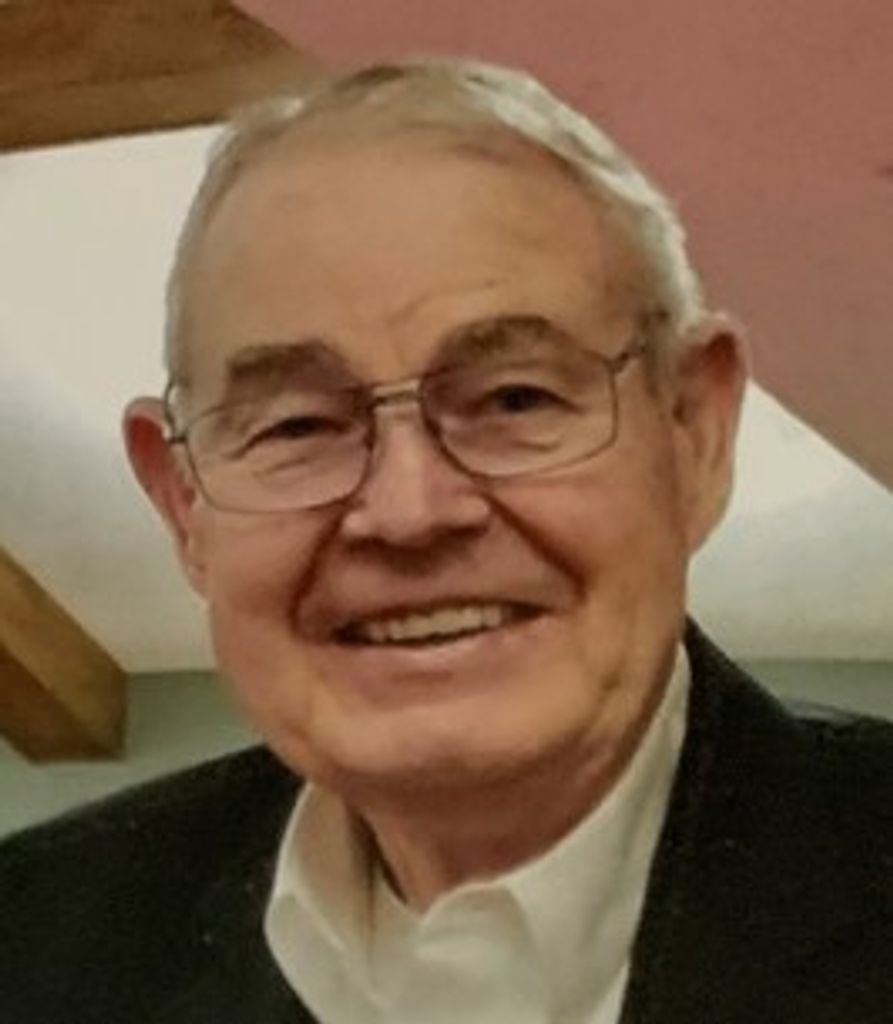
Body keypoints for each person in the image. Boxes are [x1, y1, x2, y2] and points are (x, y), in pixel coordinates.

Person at [0, 58, 890, 1024]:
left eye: (515, 400)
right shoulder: (31, 940)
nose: (409, 511)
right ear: (184, 508)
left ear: (693, 434)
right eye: (297, 426)